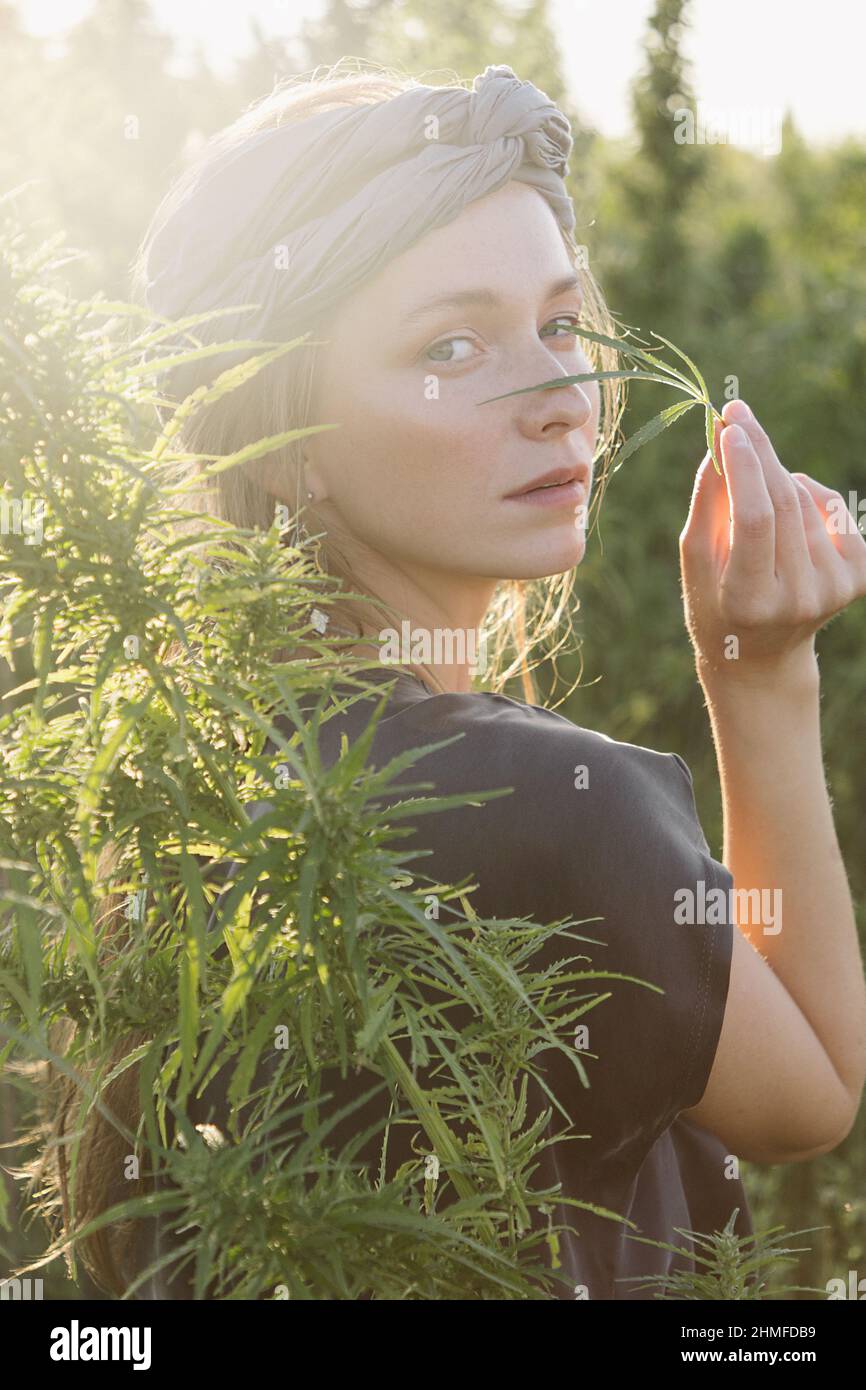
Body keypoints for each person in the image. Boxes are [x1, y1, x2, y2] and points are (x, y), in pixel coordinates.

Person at [43, 59, 866, 1300]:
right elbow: (814, 1091)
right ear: (289, 441)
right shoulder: (543, 806)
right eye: (452, 344)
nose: (558, 395)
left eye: (559, 322)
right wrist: (758, 675)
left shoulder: (203, 782)